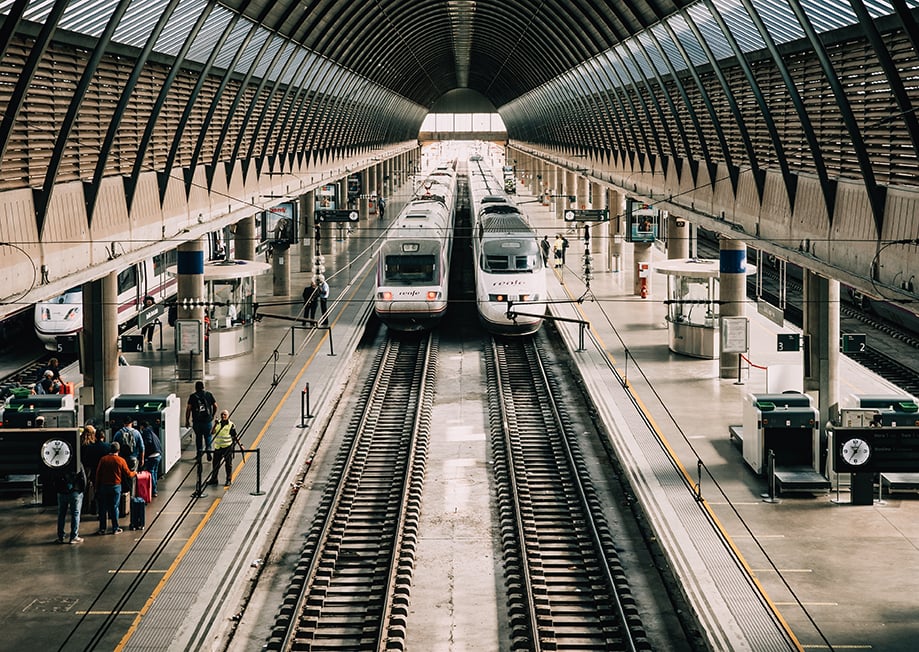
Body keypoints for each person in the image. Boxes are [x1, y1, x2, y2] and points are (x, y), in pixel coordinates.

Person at [95, 442, 136, 535]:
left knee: (103, 508)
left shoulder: (103, 459)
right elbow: (128, 473)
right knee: (114, 507)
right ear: (118, 450)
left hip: (104, 486)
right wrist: (135, 473)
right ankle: (115, 528)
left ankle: (102, 528)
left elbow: (98, 474)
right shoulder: (120, 460)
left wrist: (97, 487)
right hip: (116, 486)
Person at [52, 465, 85, 544]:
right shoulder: (77, 462)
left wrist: (58, 489)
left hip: (62, 492)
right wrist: (82, 490)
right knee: (75, 514)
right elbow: (83, 477)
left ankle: (61, 537)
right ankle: (74, 537)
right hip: (75, 491)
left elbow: (54, 477)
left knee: (61, 514)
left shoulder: (60, 462)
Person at [186, 380, 217, 460]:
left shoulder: (193, 396)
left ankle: (199, 454)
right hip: (207, 421)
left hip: (197, 422)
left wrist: (187, 420)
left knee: (198, 438)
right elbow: (215, 405)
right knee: (208, 436)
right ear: (203, 387)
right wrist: (212, 415)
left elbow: (189, 409)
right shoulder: (208, 394)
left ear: (195, 388)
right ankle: (208, 450)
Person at [209, 410, 238, 487]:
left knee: (228, 464)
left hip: (227, 447)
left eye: (224, 414)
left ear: (228, 416)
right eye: (222, 414)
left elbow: (235, 436)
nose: (223, 416)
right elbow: (212, 432)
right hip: (218, 447)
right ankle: (214, 479)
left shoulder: (231, 425)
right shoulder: (217, 423)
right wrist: (215, 425)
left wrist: (240, 445)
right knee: (215, 464)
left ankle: (228, 480)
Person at [139, 420, 163, 497]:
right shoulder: (152, 431)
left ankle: (153, 490)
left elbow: (148, 442)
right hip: (158, 454)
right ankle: (154, 489)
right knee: (154, 473)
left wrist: (144, 452)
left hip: (152, 456)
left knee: (151, 472)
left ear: (142, 426)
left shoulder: (146, 431)